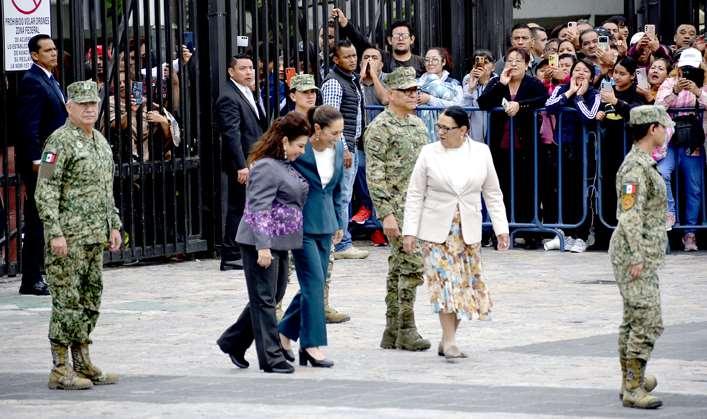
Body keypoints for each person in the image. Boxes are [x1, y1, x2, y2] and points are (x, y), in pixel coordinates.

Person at [35, 80, 123, 390]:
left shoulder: (100, 141)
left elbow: (106, 190)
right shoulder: (57, 142)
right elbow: (45, 189)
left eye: (93, 104)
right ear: (69, 107)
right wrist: (54, 232)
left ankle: (82, 361)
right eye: (82, 104)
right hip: (68, 239)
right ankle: (60, 369)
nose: (89, 109)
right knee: (66, 302)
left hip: (94, 237)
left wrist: (114, 225)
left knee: (90, 300)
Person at [402, 106, 509, 360]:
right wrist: (410, 232)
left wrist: (501, 229)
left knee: (464, 287)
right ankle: (450, 341)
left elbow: (492, 193)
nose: (440, 132)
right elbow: (415, 194)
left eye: (446, 128)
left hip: (467, 231)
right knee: (445, 285)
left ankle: (447, 337)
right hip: (436, 232)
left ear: (463, 130)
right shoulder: (429, 153)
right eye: (438, 127)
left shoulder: (481, 152)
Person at [217, 113, 310, 374]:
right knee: (265, 299)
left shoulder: (282, 164)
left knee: (271, 295)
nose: (302, 151)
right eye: (299, 145)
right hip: (261, 241)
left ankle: (233, 341)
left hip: (280, 241)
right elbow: (258, 208)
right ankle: (271, 357)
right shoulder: (267, 167)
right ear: (284, 141)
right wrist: (263, 247)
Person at [610, 105, 672, 410]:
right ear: (652, 129)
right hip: (635, 253)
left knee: (633, 318)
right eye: (663, 126)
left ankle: (630, 380)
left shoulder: (645, 163)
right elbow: (629, 215)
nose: (666, 131)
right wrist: (637, 256)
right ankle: (634, 387)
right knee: (647, 319)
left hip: (642, 251)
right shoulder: (635, 167)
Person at [365, 67, 430, 351]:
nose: (413, 94)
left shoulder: (417, 125)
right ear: (391, 94)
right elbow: (374, 174)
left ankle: (392, 329)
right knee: (412, 265)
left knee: (399, 267)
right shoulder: (380, 127)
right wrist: (386, 214)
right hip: (396, 207)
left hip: (418, 206)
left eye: (415, 90)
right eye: (407, 90)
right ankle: (407, 327)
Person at [278, 106, 347, 368]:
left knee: (313, 284)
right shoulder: (300, 149)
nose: (338, 138)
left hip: (326, 223)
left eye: (340, 133)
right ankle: (311, 344)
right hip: (301, 224)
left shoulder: (337, 149)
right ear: (317, 129)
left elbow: (338, 188)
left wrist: (339, 221)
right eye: (333, 133)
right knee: (315, 283)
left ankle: (284, 332)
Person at [289, 74, 350, 324]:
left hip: (322, 216)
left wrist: (338, 220)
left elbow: (336, 186)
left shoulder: (331, 133)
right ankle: (278, 310)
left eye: (313, 91)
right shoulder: (288, 127)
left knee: (322, 271)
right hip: (297, 215)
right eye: (304, 92)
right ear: (292, 95)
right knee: (289, 271)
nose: (310, 96)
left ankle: (320, 306)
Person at [16, 34, 68, 296]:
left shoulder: (50, 79)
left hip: (53, 157)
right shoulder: (32, 81)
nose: (53, 53)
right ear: (35, 55)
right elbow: (29, 126)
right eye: (47, 50)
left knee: (49, 213)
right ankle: (31, 278)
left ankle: (44, 270)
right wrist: (36, 160)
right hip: (44, 160)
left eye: (54, 49)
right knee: (38, 216)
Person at [477, 47, 548, 231]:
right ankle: (502, 231)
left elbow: (543, 99)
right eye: (510, 60)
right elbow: (483, 103)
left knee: (527, 188)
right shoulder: (496, 82)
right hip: (500, 145)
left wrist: (520, 105)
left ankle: (527, 232)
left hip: (526, 146)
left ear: (526, 65)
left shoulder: (532, 83)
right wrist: (502, 84)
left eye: (518, 60)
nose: (514, 64)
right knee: (501, 189)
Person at [215, 54, 268, 270]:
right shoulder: (228, 97)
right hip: (242, 162)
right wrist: (241, 165)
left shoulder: (247, 91)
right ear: (231, 72)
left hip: (254, 158)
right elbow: (231, 134)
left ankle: (242, 249)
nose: (249, 72)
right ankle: (230, 254)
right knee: (238, 206)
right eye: (243, 68)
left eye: (251, 67)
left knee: (247, 205)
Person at [544, 58, 602, 246]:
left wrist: (579, 97)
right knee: (563, 190)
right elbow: (549, 107)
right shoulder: (561, 89)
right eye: (577, 70)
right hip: (562, 148)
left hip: (584, 149)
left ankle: (582, 236)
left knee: (582, 192)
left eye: (585, 71)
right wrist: (569, 91)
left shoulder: (594, 94)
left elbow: (589, 117)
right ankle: (566, 233)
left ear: (591, 77)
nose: (580, 73)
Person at [321, 40, 369, 260]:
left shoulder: (351, 79)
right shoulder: (334, 82)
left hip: (352, 143)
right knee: (341, 196)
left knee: (345, 195)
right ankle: (341, 244)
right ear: (336, 59)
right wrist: (344, 148)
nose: (352, 60)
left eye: (354, 56)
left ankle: (340, 241)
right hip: (343, 146)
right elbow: (331, 118)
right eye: (347, 56)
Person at [655, 47, 707, 250]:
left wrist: (697, 91)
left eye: (692, 68)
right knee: (662, 173)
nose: (687, 72)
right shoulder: (669, 83)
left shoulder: (704, 85)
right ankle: (670, 215)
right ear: (678, 67)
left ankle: (690, 233)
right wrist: (675, 91)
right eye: (685, 68)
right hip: (669, 139)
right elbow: (658, 107)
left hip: (693, 141)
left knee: (694, 187)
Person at [417, 47, 464, 141]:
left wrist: (430, 100)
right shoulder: (416, 83)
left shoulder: (453, 84)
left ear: (443, 62)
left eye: (435, 59)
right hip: (420, 130)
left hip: (448, 129)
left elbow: (459, 105)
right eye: (427, 60)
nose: (430, 63)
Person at [462, 49, 496, 142]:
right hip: (474, 138)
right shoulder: (468, 83)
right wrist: (470, 89)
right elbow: (464, 113)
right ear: (474, 66)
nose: (482, 66)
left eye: (486, 62)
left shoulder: (498, 82)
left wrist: (485, 84)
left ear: (493, 67)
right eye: (478, 62)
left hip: (493, 137)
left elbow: (490, 103)